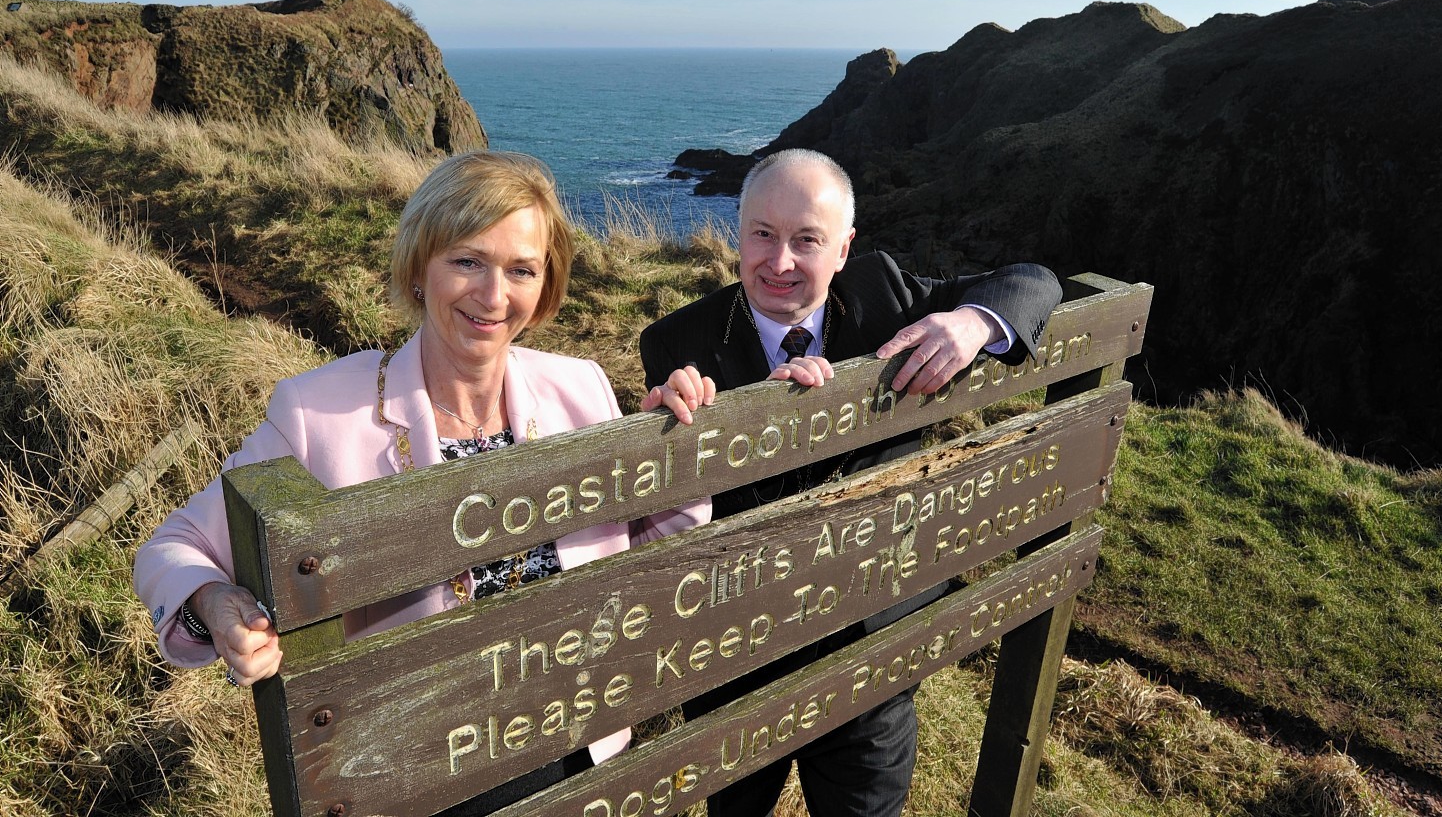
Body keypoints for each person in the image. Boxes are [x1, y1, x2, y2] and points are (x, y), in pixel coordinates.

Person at [133, 150, 709, 815]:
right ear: (419, 267)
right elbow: (171, 547)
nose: (494, 296)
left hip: (573, 749)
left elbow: (652, 552)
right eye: (467, 261)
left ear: (545, 284)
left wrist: (673, 450)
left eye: (521, 269)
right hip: (412, 775)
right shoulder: (319, 412)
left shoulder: (578, 386)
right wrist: (212, 604)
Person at [638, 148, 1062, 817]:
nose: (779, 262)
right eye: (762, 234)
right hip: (739, 662)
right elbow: (670, 512)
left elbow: (1033, 281)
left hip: (874, 655)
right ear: (738, 233)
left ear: (844, 250)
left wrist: (972, 322)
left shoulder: (887, 298)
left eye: (807, 240)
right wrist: (676, 434)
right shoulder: (676, 342)